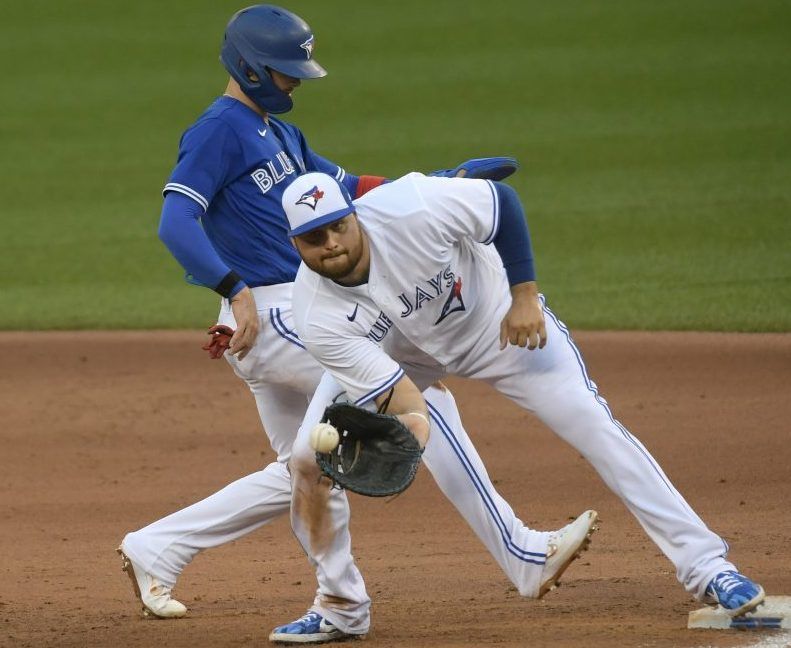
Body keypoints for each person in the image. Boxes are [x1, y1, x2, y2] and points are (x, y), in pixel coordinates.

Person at [117, 4, 595, 639]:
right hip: (276, 312)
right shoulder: (219, 130)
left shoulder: (278, 133)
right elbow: (176, 221)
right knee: (412, 394)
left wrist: (439, 181)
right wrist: (234, 292)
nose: (293, 83)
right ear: (250, 68)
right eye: (285, 72)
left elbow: (344, 189)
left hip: (287, 312)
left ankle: (166, 549)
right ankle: (522, 555)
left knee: (309, 466)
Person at [281, 170, 766, 640]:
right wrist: (412, 435)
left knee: (593, 424)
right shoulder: (316, 314)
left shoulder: (411, 206)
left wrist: (524, 296)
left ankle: (707, 567)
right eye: (313, 238)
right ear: (295, 246)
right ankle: (506, 562)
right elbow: (403, 396)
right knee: (313, 456)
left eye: (337, 226)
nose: (331, 243)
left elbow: (501, 203)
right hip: (407, 348)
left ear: (355, 215)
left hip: (504, 327)